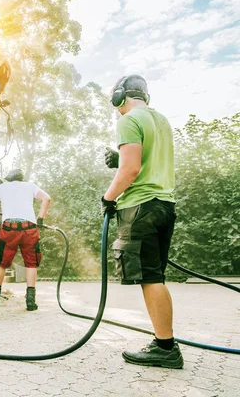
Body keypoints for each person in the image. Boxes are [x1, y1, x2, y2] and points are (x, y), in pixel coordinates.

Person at [102, 74, 183, 369]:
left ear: (120, 96)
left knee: (149, 278)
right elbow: (145, 160)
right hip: (164, 204)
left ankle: (165, 348)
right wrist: (119, 157)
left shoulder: (127, 119)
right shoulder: (160, 121)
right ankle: (164, 343)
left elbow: (132, 170)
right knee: (155, 277)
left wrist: (108, 197)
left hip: (140, 207)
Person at [0, 169, 51, 311]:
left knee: (2, 262)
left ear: (9, 178)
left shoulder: (2, 187)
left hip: (9, 229)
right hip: (29, 228)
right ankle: (30, 301)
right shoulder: (30, 186)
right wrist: (40, 218)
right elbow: (47, 198)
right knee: (31, 263)